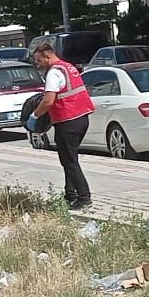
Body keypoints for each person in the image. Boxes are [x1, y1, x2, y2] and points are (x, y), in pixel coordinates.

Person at [29, 40, 94, 210]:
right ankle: (70, 195)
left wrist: (35, 115)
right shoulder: (68, 67)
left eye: (39, 60)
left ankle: (84, 198)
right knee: (69, 159)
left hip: (68, 120)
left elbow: (49, 100)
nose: (38, 64)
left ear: (48, 56)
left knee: (70, 161)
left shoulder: (53, 73)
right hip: (81, 118)